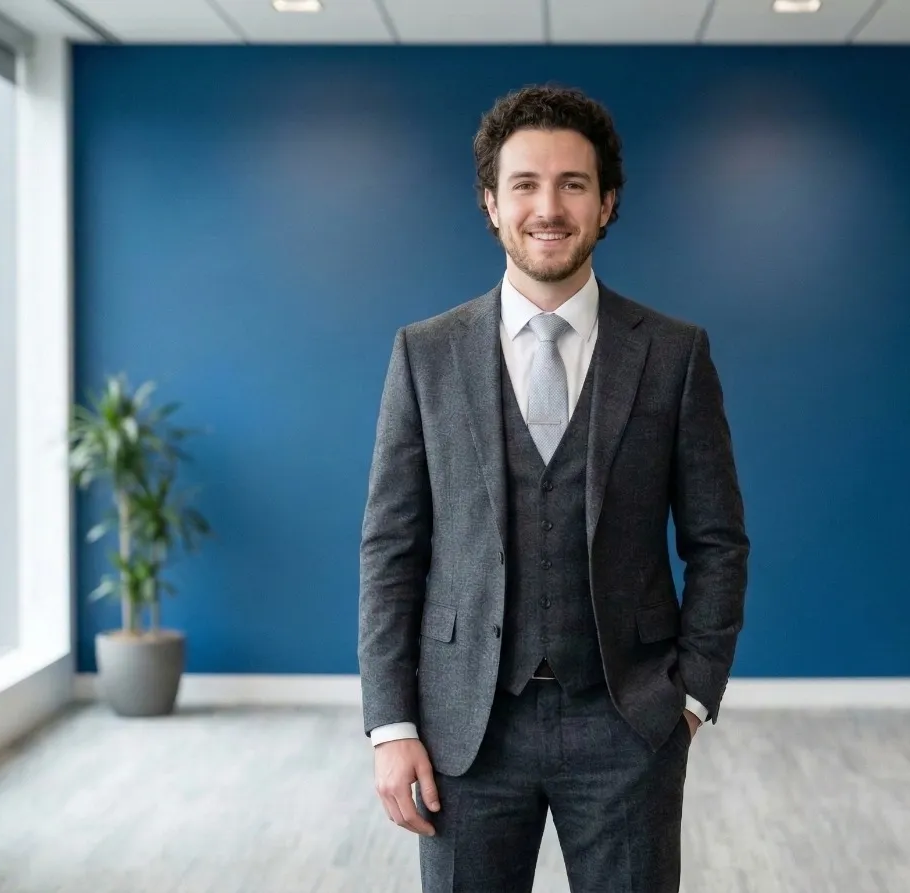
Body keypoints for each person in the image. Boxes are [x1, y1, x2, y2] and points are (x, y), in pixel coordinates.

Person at [357, 83, 750, 893]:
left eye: (573, 183)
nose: (549, 206)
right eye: (525, 184)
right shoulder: (424, 354)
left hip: (630, 723)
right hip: (465, 729)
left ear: (607, 203)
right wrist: (391, 725)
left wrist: (691, 698)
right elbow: (392, 552)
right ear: (490, 205)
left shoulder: (675, 354)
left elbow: (717, 541)